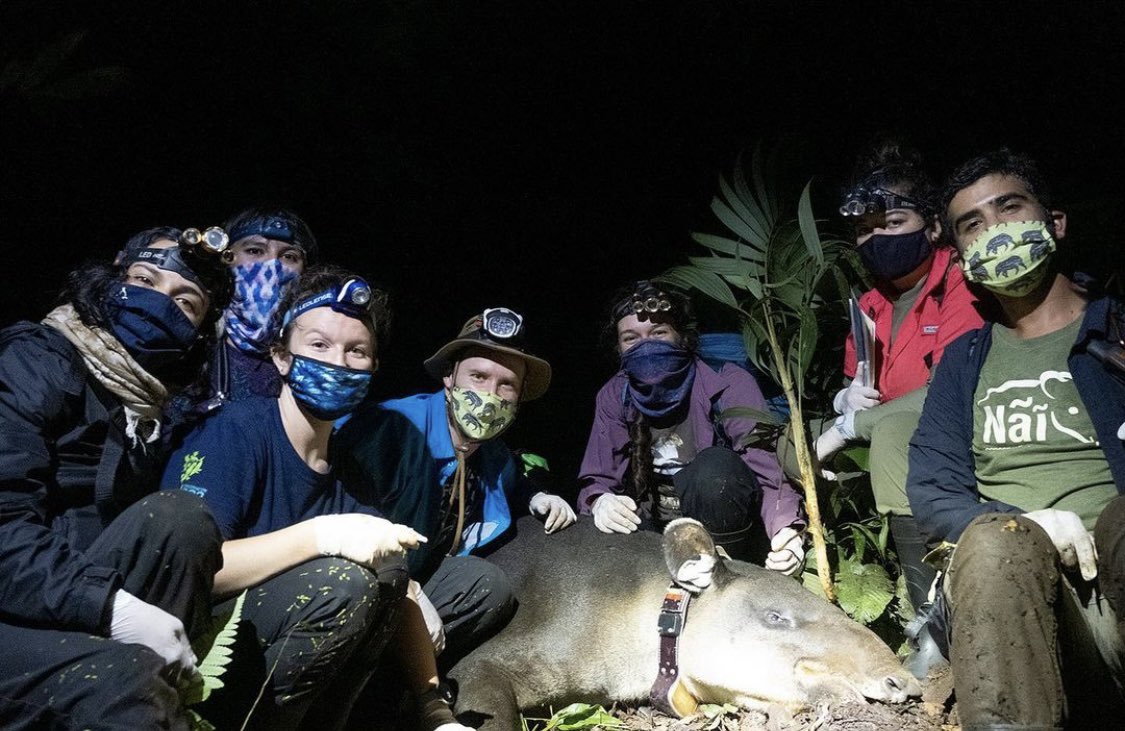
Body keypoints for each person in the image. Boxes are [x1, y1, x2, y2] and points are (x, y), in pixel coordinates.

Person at [161, 266, 436, 731]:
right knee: (342, 582)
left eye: (357, 351)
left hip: (282, 649)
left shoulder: (350, 469)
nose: (339, 363)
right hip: (198, 652)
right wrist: (319, 536)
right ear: (281, 357)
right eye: (319, 345)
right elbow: (189, 570)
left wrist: (437, 710)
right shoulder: (236, 431)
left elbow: (389, 571)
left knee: (388, 577)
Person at [907, 148, 1125, 729]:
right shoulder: (965, 361)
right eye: (973, 224)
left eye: (1009, 207)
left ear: (1053, 222)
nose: (995, 231)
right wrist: (1026, 520)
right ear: (961, 259)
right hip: (1025, 611)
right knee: (996, 541)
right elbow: (932, 491)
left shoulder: (1118, 331)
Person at [0, 226, 233, 729]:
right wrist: (111, 607)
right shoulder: (31, 361)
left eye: (186, 302)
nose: (159, 303)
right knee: (125, 683)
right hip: (11, 609)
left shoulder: (149, 410)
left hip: (62, 606)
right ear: (111, 279)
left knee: (181, 520)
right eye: (145, 279)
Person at [335, 307, 576, 669]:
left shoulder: (492, 454)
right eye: (478, 376)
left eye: (506, 384)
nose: (490, 394)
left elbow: (512, 482)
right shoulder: (391, 428)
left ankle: (393, 680)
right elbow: (338, 521)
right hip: (358, 579)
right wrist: (407, 595)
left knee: (490, 586)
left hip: (420, 575)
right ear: (449, 375)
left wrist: (538, 496)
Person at [811, 139, 985, 609]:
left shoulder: (959, 284)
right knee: (789, 440)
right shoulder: (869, 304)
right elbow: (859, 380)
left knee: (893, 432)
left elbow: (950, 389)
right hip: (878, 428)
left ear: (931, 227)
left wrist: (850, 426)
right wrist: (842, 401)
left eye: (892, 223)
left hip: (947, 429)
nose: (877, 239)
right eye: (865, 230)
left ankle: (929, 609)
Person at [577, 280, 806, 574]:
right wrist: (599, 501)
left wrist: (787, 531)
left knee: (713, 469)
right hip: (655, 525)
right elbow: (598, 476)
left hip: (723, 519)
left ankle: (725, 573)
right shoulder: (614, 394)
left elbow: (766, 466)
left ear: (682, 338)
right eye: (631, 339)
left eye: (659, 333)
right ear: (619, 349)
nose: (646, 346)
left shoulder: (728, 380)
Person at [212, 206, 319, 403]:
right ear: (226, 259)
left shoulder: (313, 361)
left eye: (289, 256)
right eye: (254, 251)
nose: (271, 266)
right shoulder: (194, 350)